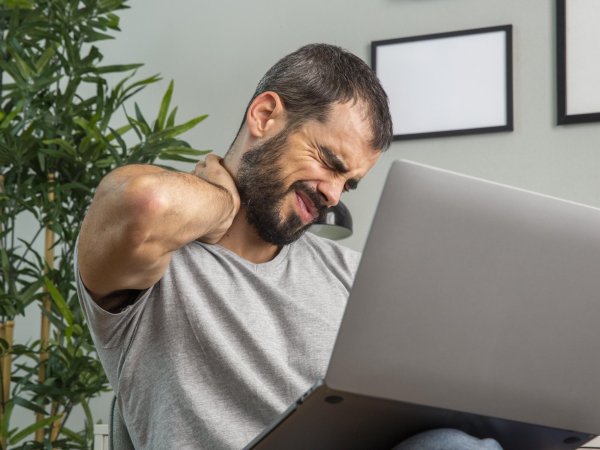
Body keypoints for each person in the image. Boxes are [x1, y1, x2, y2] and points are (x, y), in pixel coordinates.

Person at [76, 43, 502, 449]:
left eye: (347, 184)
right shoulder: (157, 262)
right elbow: (144, 203)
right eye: (329, 163)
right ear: (264, 116)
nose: (334, 195)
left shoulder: (349, 274)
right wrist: (225, 201)